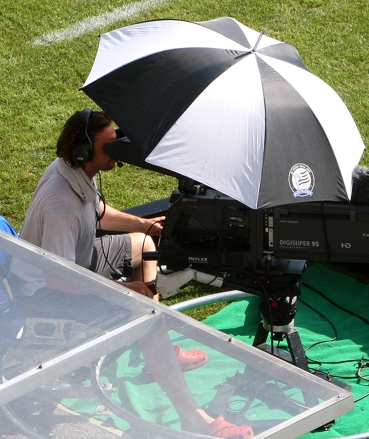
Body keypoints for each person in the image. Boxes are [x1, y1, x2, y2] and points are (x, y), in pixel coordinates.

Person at [17, 109, 254, 438]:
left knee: (143, 244)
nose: (116, 152)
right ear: (84, 151)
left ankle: (156, 353)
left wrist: (145, 225)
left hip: (75, 264)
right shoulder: (61, 208)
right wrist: (121, 289)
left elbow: (98, 212)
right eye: (108, 146)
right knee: (145, 318)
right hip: (46, 293)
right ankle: (193, 417)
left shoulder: (74, 171)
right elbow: (58, 279)